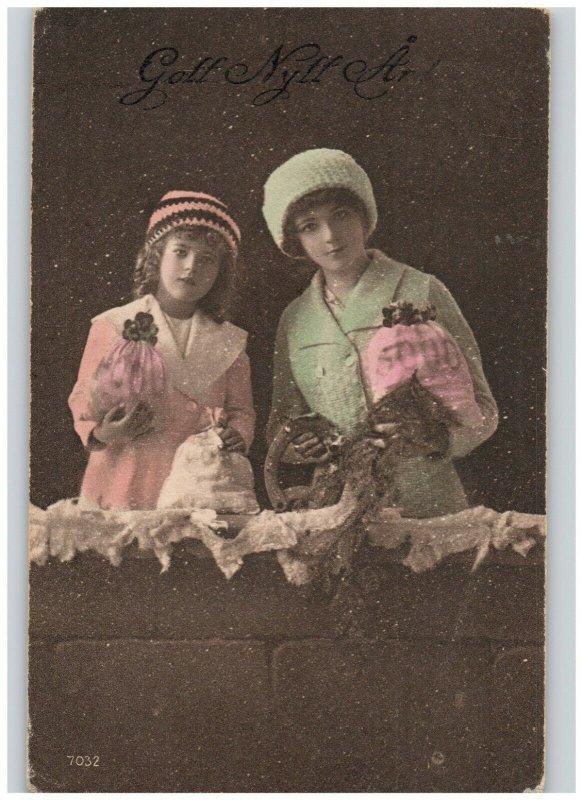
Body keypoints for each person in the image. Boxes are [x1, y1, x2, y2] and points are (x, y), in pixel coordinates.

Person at [262, 148, 498, 518]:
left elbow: (484, 411)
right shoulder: (295, 319)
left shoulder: (421, 289)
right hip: (338, 510)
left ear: (364, 215)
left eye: (341, 215)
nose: (330, 236)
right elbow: (282, 428)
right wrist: (302, 445)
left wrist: (436, 438)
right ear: (295, 240)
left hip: (428, 503)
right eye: (310, 226)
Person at [69, 190, 255, 510]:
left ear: (220, 273)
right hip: (124, 475)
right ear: (157, 256)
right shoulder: (114, 325)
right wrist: (102, 431)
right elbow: (84, 396)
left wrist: (238, 433)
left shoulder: (230, 343)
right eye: (180, 252)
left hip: (196, 484)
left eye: (207, 259)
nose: (191, 267)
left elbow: (241, 410)